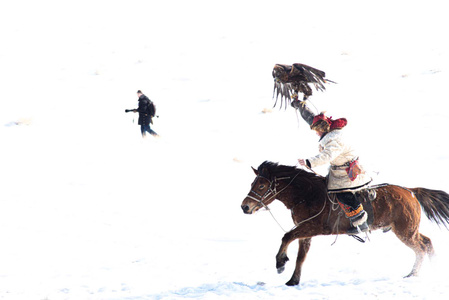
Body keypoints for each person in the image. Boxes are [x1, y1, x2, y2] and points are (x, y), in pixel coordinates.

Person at [294, 96, 372, 234]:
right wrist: (300, 105)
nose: (316, 133)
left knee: (343, 194)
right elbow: (310, 118)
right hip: (338, 171)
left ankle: (361, 222)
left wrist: (309, 162)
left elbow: (327, 156)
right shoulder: (331, 134)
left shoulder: (334, 140)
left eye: (317, 130)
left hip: (346, 173)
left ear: (323, 129)